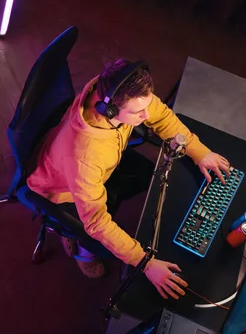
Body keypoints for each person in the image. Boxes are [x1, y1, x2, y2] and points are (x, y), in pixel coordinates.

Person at [26, 59, 231, 300]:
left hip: (103, 164)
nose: (146, 116)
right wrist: (145, 263)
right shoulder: (85, 155)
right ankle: (81, 249)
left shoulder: (116, 91)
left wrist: (199, 152)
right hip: (62, 190)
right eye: (137, 112)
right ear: (109, 110)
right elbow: (97, 221)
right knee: (100, 240)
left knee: (146, 175)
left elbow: (161, 115)